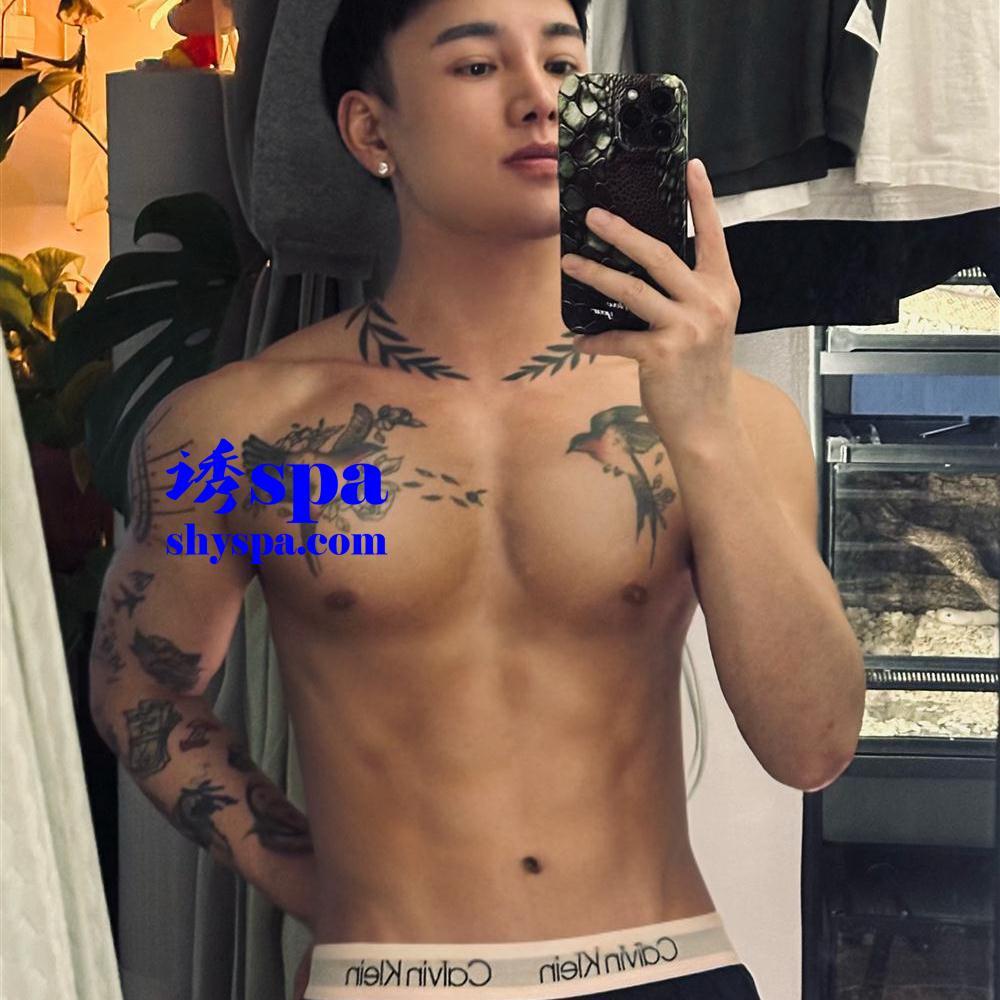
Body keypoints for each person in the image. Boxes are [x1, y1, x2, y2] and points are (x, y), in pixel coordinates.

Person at [88, 1, 867, 997]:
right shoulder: (242, 430)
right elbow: (140, 683)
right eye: (475, 66)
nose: (539, 99)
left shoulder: (731, 417)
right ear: (371, 128)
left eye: (562, 63)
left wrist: (702, 421)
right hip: (393, 976)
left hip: (663, 967)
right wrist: (310, 878)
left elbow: (812, 746)